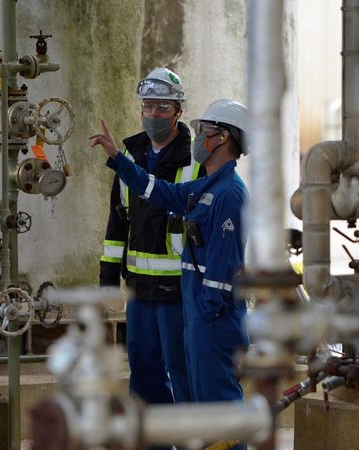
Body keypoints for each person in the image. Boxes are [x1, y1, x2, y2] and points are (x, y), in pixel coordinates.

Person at [91, 98, 251, 405]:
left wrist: (203, 317)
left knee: (217, 406)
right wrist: (118, 158)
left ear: (223, 137)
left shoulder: (228, 194)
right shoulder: (206, 188)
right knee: (199, 405)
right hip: (197, 317)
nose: (198, 135)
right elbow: (158, 191)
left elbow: (222, 271)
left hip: (213, 321)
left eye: (205, 128)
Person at [98, 67, 205, 412]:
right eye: (148, 106)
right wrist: (107, 280)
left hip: (180, 290)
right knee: (143, 372)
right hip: (140, 290)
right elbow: (118, 223)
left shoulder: (196, 160)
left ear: (178, 112)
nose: (154, 114)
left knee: (183, 369)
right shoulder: (128, 156)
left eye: (163, 107)